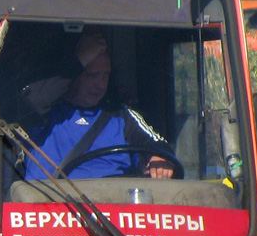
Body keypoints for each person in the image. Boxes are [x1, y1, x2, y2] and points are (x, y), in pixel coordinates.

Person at [23, 31, 174, 181]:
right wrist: (79, 60)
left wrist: (158, 157)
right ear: (74, 74)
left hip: (113, 201)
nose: (101, 84)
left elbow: (156, 143)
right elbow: (32, 101)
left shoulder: (120, 115)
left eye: (105, 75)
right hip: (52, 201)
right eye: (92, 75)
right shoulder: (46, 113)